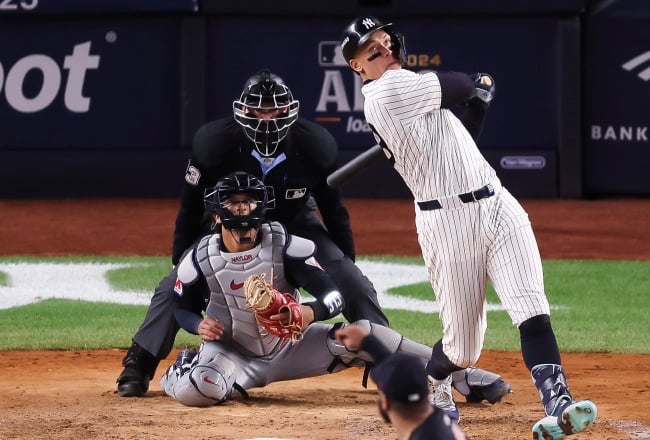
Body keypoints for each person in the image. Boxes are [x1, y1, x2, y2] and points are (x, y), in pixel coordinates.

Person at [117, 69, 511, 408]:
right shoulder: (213, 143)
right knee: (173, 286)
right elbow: (190, 205)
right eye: (257, 110)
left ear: (289, 112)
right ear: (242, 111)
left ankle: (385, 365)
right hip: (229, 220)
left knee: (350, 281)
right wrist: (180, 257)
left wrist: (343, 261)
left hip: (294, 221)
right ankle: (140, 363)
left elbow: (332, 207)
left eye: (273, 110)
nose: (266, 118)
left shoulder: (315, 145)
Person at [339, 16, 598, 439]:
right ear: (358, 67)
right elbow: (457, 83)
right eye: (373, 51)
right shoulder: (386, 90)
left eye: (387, 43)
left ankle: (559, 401)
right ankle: (434, 379)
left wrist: (477, 105)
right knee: (462, 349)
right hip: (446, 223)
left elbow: (460, 147)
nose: (385, 52)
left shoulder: (411, 92)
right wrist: (476, 84)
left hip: (497, 204)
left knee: (532, 309)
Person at [159, 171, 498, 413]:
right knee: (202, 390)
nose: (243, 209)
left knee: (365, 333)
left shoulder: (285, 246)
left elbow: (333, 294)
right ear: (218, 214)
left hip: (289, 348)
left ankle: (460, 375)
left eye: (249, 203)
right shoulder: (201, 257)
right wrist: (197, 325)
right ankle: (179, 372)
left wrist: (310, 312)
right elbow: (180, 305)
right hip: (232, 354)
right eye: (235, 204)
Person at [335, 324, 468, 440]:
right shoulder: (437, 420)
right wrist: (367, 343)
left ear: (386, 402)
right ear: (427, 391)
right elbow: (402, 372)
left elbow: (401, 373)